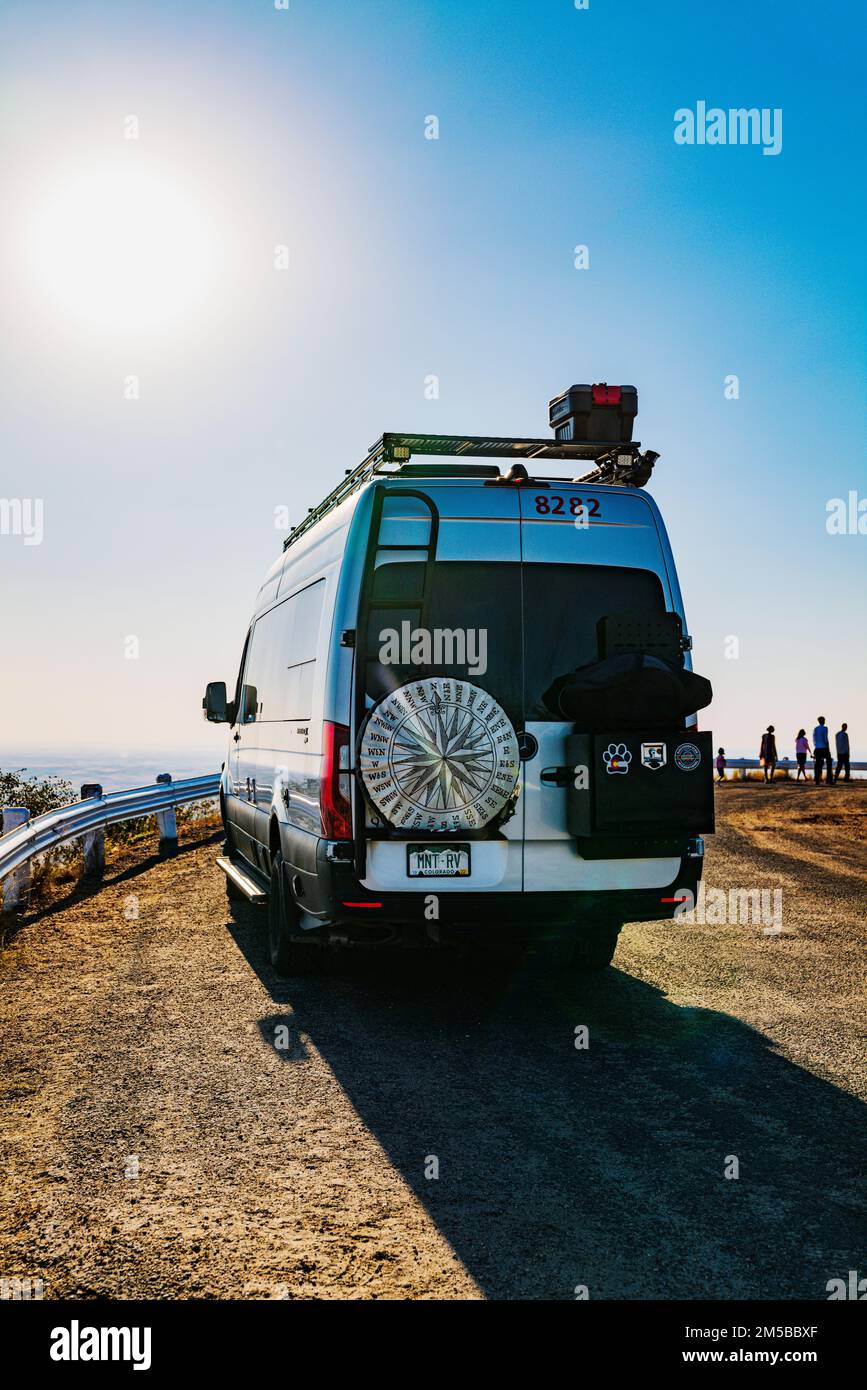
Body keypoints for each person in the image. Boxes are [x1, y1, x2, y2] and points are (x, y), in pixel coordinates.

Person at [813, 716, 833, 784]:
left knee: (817, 764)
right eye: (824, 720)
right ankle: (829, 779)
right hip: (824, 748)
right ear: (822, 721)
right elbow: (825, 739)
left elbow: (814, 739)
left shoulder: (815, 729)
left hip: (817, 748)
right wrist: (828, 748)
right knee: (829, 762)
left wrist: (816, 746)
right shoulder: (825, 728)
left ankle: (817, 779)